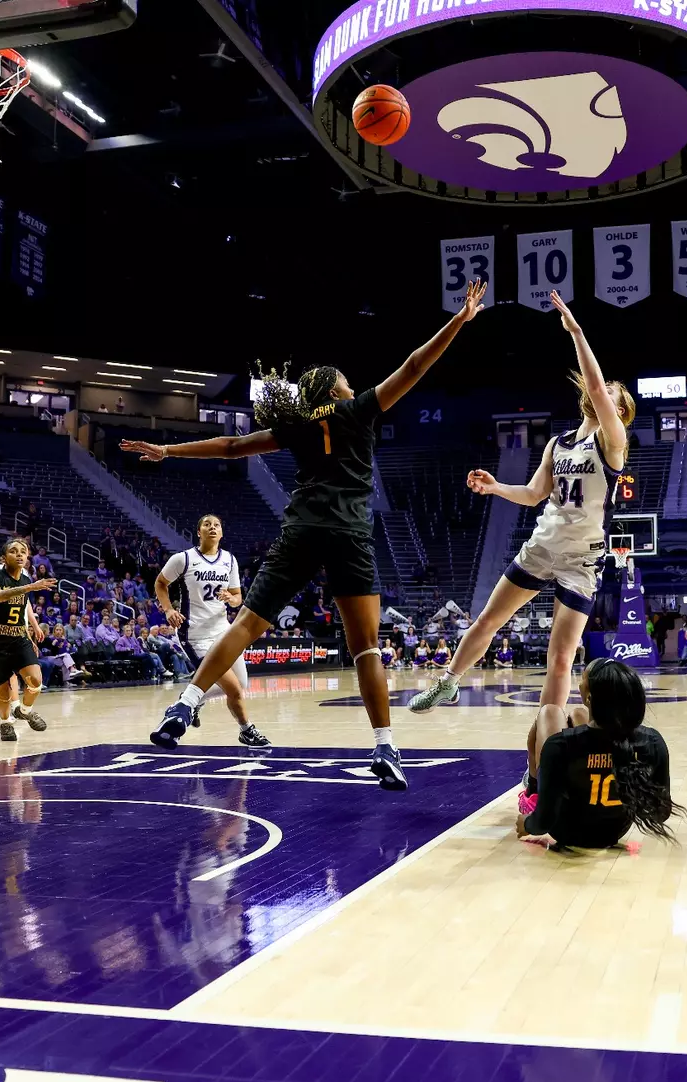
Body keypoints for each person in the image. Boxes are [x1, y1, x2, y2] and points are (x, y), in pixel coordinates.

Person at [120, 278, 487, 790]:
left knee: (245, 625)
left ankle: (183, 706)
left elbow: (230, 446)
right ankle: (384, 746)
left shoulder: (295, 425)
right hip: (350, 535)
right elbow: (415, 366)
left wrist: (169, 452)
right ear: (337, 388)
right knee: (366, 650)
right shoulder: (359, 408)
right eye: (344, 378)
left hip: (302, 528)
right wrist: (460, 320)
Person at [410, 290, 633, 715]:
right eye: (603, 386)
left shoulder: (613, 443)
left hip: (581, 560)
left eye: (612, 393)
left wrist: (577, 332)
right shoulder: (558, 443)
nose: (603, 390)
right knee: (487, 620)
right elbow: (533, 495)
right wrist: (497, 488)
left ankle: (547, 741)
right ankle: (448, 682)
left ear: (620, 412)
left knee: (561, 658)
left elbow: (599, 395)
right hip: (543, 546)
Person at [515, 658, 681, 850]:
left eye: (583, 680)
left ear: (589, 698)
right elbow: (661, 813)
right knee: (578, 714)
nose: (578, 684)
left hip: (567, 831)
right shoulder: (652, 741)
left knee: (549, 712)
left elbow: (542, 823)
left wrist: (526, 823)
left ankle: (533, 791)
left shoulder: (558, 746)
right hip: (615, 831)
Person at [154, 514, 265, 747]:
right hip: (195, 634)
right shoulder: (183, 559)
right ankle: (246, 730)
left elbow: (237, 598)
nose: (212, 528)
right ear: (199, 532)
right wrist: (168, 610)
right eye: (207, 524)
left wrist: (230, 598)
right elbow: (160, 583)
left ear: (222, 533)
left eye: (216, 525)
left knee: (242, 685)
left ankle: (191, 700)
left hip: (223, 631)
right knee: (233, 689)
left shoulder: (230, 560)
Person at [0, 538, 57, 742]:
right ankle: (5, 724)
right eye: (14, 551)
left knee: (36, 679)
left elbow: (22, 607)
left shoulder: (25, 578)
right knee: (3, 691)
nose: (20, 554)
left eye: (23, 551)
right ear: (4, 558)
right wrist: (30, 588)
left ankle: (24, 710)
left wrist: (30, 632)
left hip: (18, 637)